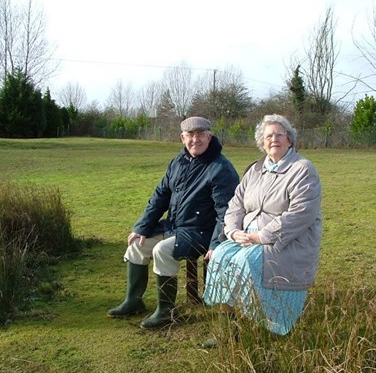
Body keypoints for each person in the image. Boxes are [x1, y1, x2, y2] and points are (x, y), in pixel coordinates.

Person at [108, 116, 239, 329]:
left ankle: (166, 311)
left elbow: (226, 213)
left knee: (161, 250)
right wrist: (142, 227)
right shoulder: (178, 162)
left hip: (202, 232)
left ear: (209, 136)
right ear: (182, 138)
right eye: (190, 135)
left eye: (200, 134)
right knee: (136, 245)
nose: (195, 139)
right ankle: (134, 301)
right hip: (174, 227)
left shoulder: (220, 168)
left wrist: (217, 244)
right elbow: (160, 195)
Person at [203, 114, 322, 337]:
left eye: (279, 134)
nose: (274, 139)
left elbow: (301, 214)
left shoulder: (303, 169)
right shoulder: (255, 170)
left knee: (245, 261)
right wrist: (232, 231)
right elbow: (235, 205)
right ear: (262, 142)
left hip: (285, 241)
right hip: (245, 237)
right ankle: (227, 327)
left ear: (290, 140)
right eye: (268, 136)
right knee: (219, 255)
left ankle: (260, 324)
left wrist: (260, 236)